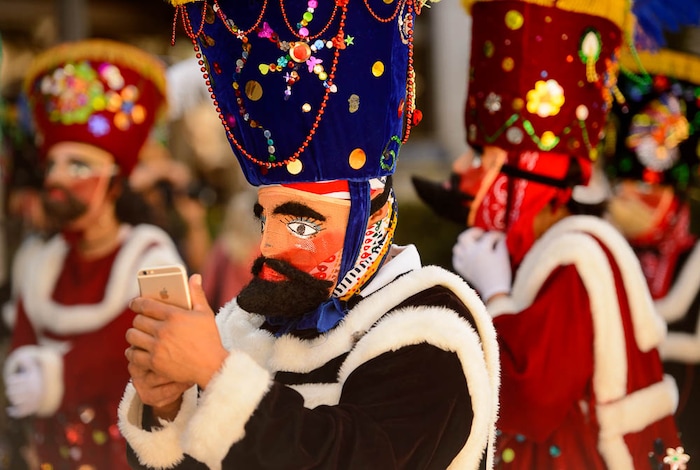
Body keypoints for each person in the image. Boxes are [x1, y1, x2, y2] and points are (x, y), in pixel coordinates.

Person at [117, 0, 501, 468]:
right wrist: (169, 403)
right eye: (266, 218)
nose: (269, 246)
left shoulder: (429, 329)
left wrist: (215, 373)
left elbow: (346, 457)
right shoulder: (245, 324)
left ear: (370, 217)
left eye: (301, 223)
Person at [449, 0, 684, 468]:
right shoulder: (551, 251)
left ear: (532, 177)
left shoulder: (576, 259)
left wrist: (495, 293)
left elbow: (530, 404)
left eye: (486, 160)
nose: (462, 172)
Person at [2, 39, 184, 469]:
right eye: (53, 165)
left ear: (115, 183)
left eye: (78, 166)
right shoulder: (40, 260)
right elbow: (23, 336)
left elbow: (155, 348)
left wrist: (59, 376)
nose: (57, 180)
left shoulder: (152, 256)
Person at [603, 35, 700, 465]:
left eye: (645, 188)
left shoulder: (693, 257)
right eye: (625, 188)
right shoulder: (600, 248)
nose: (630, 200)